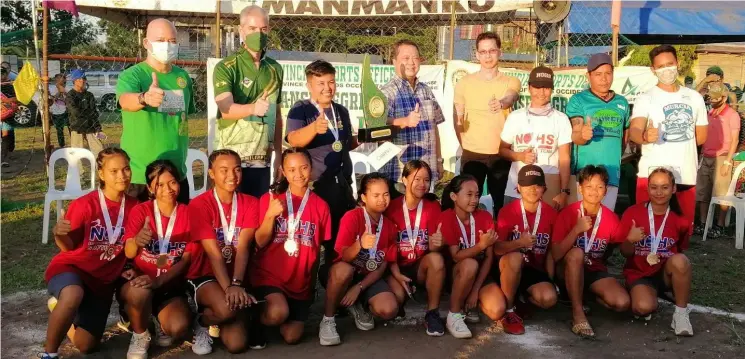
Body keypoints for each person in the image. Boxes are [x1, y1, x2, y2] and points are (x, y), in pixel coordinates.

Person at [41, 148, 138, 359]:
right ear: (101, 174)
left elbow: (134, 247)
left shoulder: (135, 207)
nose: (122, 175)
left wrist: (130, 267)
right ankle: (49, 354)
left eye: (126, 169)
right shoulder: (85, 204)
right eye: (114, 171)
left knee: (86, 345)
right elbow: (67, 247)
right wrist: (58, 234)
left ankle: (60, 308)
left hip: (102, 281)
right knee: (73, 294)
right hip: (73, 269)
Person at [285, 60, 356, 288]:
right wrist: (313, 129)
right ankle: (305, 291)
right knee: (313, 244)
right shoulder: (301, 109)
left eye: (331, 82)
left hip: (342, 185)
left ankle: (336, 290)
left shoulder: (341, 111)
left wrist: (370, 137)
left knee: (340, 242)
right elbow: (293, 140)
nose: (327, 88)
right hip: (316, 187)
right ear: (309, 85)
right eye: (321, 83)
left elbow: (345, 143)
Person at [251, 148, 332, 347]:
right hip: (269, 277)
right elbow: (259, 242)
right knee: (278, 313)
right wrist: (270, 216)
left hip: (299, 282)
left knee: (292, 337)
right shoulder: (270, 200)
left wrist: (310, 289)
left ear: (311, 168)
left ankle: (279, 313)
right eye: (292, 169)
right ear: (283, 172)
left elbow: (316, 250)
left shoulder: (321, 206)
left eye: (303, 168)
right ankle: (253, 321)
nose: (298, 174)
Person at [185, 149, 260, 355]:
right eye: (224, 170)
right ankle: (201, 321)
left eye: (237, 169)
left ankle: (219, 318)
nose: (232, 176)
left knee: (236, 345)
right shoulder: (199, 204)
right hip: (206, 275)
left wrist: (236, 283)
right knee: (227, 309)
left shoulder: (251, 203)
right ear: (211, 173)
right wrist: (230, 288)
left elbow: (243, 247)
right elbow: (214, 254)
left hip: (236, 275)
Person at [117, 18, 195, 204]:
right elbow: (125, 100)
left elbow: (183, 117)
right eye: (160, 40)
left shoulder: (183, 77)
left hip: (176, 173)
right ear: (146, 43)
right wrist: (144, 98)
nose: (167, 46)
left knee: (178, 229)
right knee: (139, 231)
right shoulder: (133, 75)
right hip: (141, 175)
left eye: (172, 41)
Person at [629, 45, 708, 229]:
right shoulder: (646, 97)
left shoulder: (695, 97)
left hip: (685, 176)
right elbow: (635, 130)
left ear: (677, 64)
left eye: (670, 64)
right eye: (661, 66)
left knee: (680, 232)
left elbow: (702, 136)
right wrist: (644, 136)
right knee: (646, 231)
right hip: (653, 177)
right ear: (653, 70)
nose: (667, 70)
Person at [121, 160, 193, 358]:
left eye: (172, 182)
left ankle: (153, 318)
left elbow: (186, 260)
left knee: (177, 328)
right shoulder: (141, 211)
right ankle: (140, 334)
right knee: (138, 293)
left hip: (169, 284)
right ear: (150, 188)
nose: (167, 189)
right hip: (141, 279)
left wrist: (159, 281)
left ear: (179, 183)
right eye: (160, 184)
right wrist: (137, 240)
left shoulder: (189, 214)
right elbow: (128, 252)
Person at [320, 173, 399, 346]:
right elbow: (344, 256)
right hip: (343, 273)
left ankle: (356, 305)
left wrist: (359, 287)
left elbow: (382, 264)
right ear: (363, 197)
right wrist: (360, 244)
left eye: (385, 194)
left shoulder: (389, 226)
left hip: (367, 277)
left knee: (389, 309)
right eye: (376, 195)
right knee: (344, 271)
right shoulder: (352, 217)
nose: (382, 200)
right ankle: (328, 320)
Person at [214, 5, 283, 198]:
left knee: (257, 218)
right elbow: (226, 108)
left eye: (263, 29)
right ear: (241, 30)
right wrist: (253, 108)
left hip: (262, 159)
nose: (258, 34)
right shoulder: (226, 66)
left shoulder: (275, 68)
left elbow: (277, 116)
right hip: (232, 161)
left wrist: (278, 154)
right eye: (252, 29)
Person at [552, 165, 629, 338]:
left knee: (622, 303)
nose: (594, 191)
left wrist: (631, 238)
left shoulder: (611, 218)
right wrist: (576, 230)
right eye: (589, 186)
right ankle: (577, 313)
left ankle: (585, 295)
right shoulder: (568, 213)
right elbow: (556, 254)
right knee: (577, 253)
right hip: (567, 270)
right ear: (580, 188)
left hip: (593, 270)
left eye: (599, 187)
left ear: (606, 191)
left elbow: (617, 247)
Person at [617, 168, 694, 336]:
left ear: (673, 189)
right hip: (639, 273)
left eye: (665, 187)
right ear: (647, 188)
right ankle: (646, 293)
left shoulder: (681, 219)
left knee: (681, 261)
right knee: (642, 307)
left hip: (665, 273)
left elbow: (680, 252)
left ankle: (680, 315)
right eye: (654, 187)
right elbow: (625, 253)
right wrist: (630, 240)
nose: (659, 192)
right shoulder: (633, 213)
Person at [453, 31, 521, 214]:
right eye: (483, 52)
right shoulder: (464, 83)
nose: (487, 56)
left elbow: (511, 96)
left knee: (500, 204)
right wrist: (465, 144)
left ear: (500, 52)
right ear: (477, 54)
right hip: (472, 154)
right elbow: (457, 117)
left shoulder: (511, 80)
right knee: (467, 204)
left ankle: (497, 240)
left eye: (492, 51)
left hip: (500, 153)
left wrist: (501, 103)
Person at [493, 165, 558, 335]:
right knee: (515, 258)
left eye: (537, 185)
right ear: (519, 188)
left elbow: (551, 251)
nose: (533, 190)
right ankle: (508, 311)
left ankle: (520, 300)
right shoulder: (507, 211)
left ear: (544, 188)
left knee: (549, 299)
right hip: (508, 267)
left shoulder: (551, 214)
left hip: (533, 269)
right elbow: (497, 249)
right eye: (527, 185)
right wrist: (519, 243)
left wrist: (551, 280)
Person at [384, 160, 446, 336]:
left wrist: (437, 245)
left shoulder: (433, 206)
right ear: (404, 179)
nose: (422, 184)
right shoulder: (391, 207)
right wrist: (395, 273)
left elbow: (434, 249)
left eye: (426, 180)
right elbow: (386, 247)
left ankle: (432, 312)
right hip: (395, 266)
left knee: (436, 259)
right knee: (395, 304)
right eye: (417, 179)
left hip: (419, 265)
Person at [500, 66, 571, 209]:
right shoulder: (516, 117)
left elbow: (564, 158)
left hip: (548, 186)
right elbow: (501, 150)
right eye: (537, 87)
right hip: (517, 187)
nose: (541, 92)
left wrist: (564, 191)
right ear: (529, 88)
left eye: (546, 87)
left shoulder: (561, 119)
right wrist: (519, 155)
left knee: (547, 230)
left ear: (552, 89)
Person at [439, 174, 501, 339]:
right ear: (454, 196)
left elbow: (489, 257)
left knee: (497, 310)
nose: (474, 199)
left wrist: (475, 290)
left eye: (477, 194)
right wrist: (481, 245)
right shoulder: (446, 217)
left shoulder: (485, 217)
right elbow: (456, 257)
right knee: (469, 264)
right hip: (458, 272)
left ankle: (470, 302)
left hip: (480, 275)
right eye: (469, 194)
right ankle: (454, 314)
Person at [566, 53, 631, 210]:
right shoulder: (578, 100)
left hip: (611, 174)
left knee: (605, 223)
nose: (604, 79)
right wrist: (582, 135)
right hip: (584, 176)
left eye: (608, 73)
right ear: (589, 76)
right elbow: (575, 135)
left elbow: (624, 139)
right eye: (598, 74)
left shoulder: (622, 102)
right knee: (582, 222)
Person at [380, 40, 446, 192]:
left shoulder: (426, 90)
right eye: (406, 58)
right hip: (401, 176)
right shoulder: (387, 93)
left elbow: (434, 128)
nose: (411, 62)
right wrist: (404, 121)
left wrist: (439, 161)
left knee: (427, 215)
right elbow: (379, 125)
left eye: (415, 58)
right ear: (394, 61)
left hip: (427, 172)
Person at [695, 82, 740, 237]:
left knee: (721, 193)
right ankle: (702, 223)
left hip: (722, 156)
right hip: (706, 156)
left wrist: (727, 162)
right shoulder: (709, 113)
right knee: (702, 192)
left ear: (724, 97)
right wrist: (701, 155)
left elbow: (735, 140)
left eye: (715, 97)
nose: (712, 100)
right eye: (711, 97)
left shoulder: (732, 115)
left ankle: (719, 226)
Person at [67, 69, 104, 157]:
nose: (82, 81)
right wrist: (88, 114)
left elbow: (94, 112)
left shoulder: (89, 95)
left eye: (83, 78)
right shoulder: (70, 95)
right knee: (76, 152)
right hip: (77, 126)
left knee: (99, 150)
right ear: (74, 81)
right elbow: (75, 112)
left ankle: (99, 168)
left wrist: (98, 128)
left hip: (90, 126)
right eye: (79, 79)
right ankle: (78, 170)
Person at [1, 67, 16, 167]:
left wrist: (7, 101)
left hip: (7, 115)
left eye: (2, 74)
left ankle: (4, 159)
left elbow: (16, 98)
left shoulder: (10, 86)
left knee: (6, 136)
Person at [50, 73, 70, 148]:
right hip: (56, 112)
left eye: (61, 79)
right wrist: (59, 91)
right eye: (57, 79)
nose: (59, 80)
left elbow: (69, 99)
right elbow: (53, 99)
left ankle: (74, 143)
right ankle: (62, 145)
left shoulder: (68, 88)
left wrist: (63, 92)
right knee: (59, 130)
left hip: (67, 111)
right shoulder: (52, 88)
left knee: (71, 128)